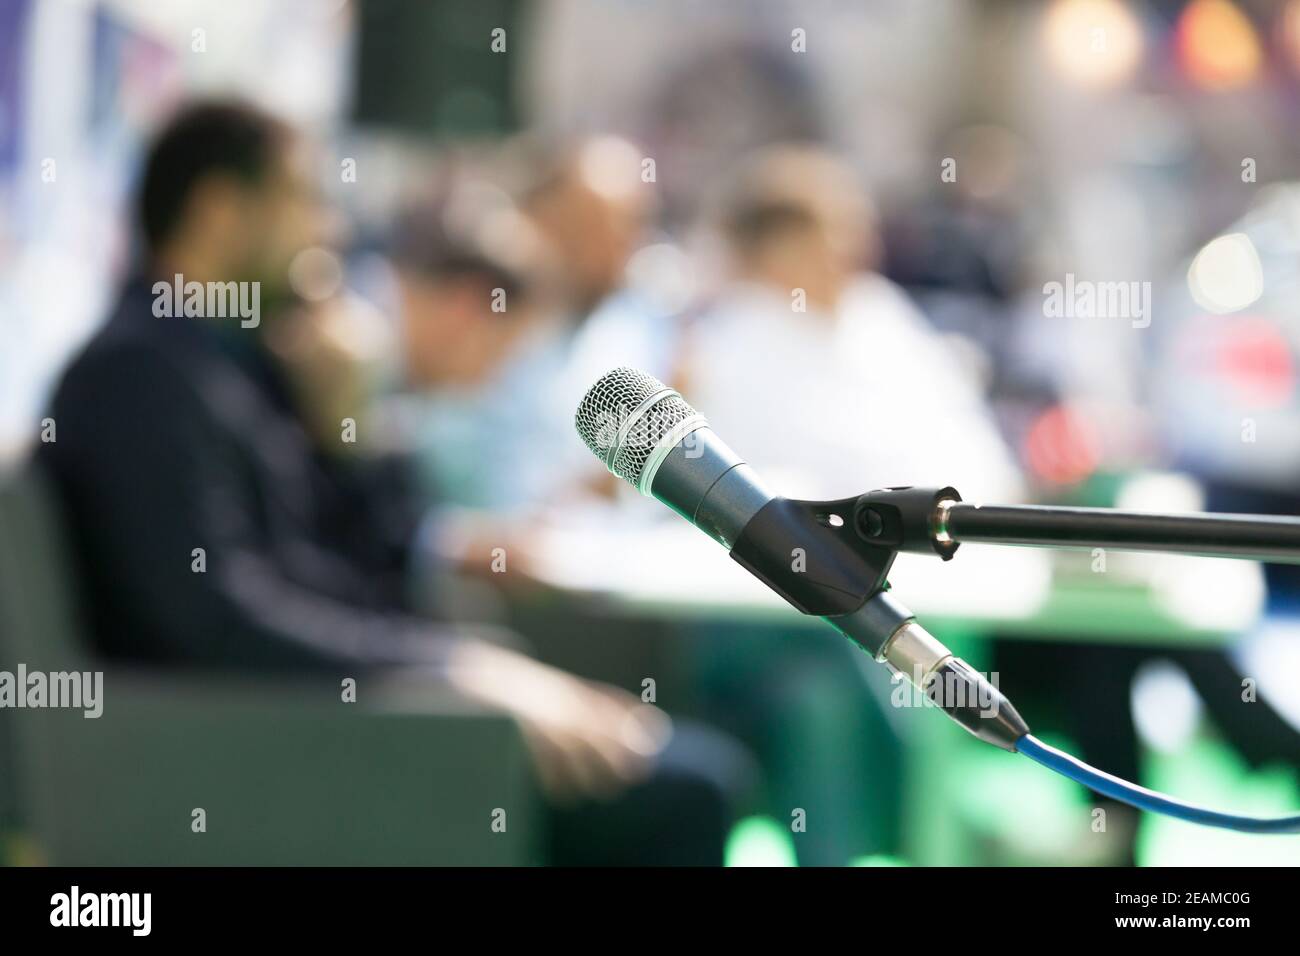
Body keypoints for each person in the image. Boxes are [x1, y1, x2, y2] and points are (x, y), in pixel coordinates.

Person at [39, 99, 745, 864]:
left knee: (689, 767)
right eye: (304, 200)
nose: (328, 232)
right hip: (278, 755)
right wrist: (452, 671)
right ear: (219, 210)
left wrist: (356, 431)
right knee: (696, 786)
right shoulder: (143, 373)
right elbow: (214, 617)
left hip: (341, 728)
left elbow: (370, 570)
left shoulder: (229, 364)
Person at [686, 145, 1023, 503]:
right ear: (779, 248)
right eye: (837, 231)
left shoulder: (876, 308)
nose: (860, 247)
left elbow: (957, 422)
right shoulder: (730, 349)